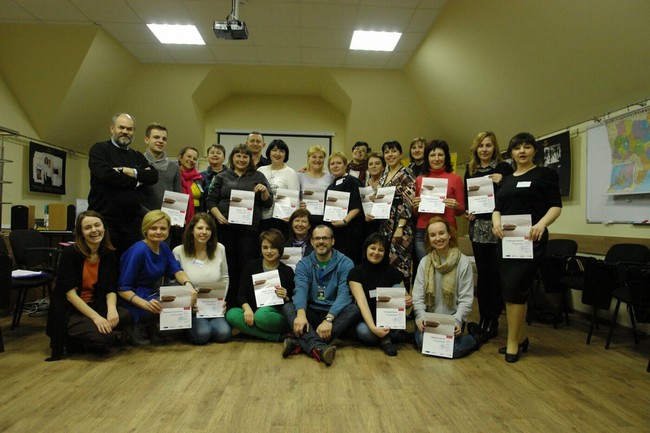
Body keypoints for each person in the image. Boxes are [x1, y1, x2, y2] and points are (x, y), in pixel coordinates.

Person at [492, 132, 562, 363]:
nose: (522, 151)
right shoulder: (507, 179)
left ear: (534, 150)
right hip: (507, 241)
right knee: (510, 290)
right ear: (511, 153)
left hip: (531, 240)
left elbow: (555, 206)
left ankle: (513, 343)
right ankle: (521, 337)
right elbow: (497, 208)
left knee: (516, 288)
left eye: (527, 146)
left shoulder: (545, 174)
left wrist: (541, 224)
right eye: (517, 148)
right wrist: (495, 224)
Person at [47, 210, 131, 359]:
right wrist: (96, 318)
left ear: (104, 228)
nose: (94, 230)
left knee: (125, 315)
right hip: (72, 309)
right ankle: (75, 339)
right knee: (104, 337)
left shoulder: (108, 253)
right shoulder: (70, 254)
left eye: (97, 225)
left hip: (96, 303)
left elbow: (110, 287)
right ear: (81, 233)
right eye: (88, 227)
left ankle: (95, 333)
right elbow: (70, 295)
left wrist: (112, 310)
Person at [282, 225, 360, 366]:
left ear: (332, 241)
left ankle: (302, 342)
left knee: (354, 309)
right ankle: (319, 348)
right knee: (288, 307)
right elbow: (300, 290)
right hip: (311, 313)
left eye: (325, 238)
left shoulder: (346, 263)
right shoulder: (304, 264)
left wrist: (329, 319)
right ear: (312, 242)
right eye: (317, 238)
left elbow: (344, 295)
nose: (321, 242)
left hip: (334, 315)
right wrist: (301, 315)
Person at [206, 143, 273, 307]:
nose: (241, 159)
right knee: (228, 266)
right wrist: (218, 215)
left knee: (246, 266)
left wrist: (264, 191)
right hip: (225, 228)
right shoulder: (222, 176)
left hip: (248, 231)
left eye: (245, 156)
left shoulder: (258, 176)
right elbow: (210, 200)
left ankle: (246, 303)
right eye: (238, 155)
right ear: (232, 157)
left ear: (250, 159)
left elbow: (268, 202)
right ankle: (227, 304)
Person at [463, 131, 514, 339]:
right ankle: (484, 318)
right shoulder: (471, 169)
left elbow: (512, 194)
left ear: (495, 148)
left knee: (495, 275)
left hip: (497, 228)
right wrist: (467, 211)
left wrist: (503, 181)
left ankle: (493, 320)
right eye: (481, 145)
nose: (484, 149)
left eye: (488, 145)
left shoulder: (504, 168)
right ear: (476, 148)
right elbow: (467, 198)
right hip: (477, 228)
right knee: (483, 276)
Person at [118, 210, 195, 345]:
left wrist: (188, 285)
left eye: (163, 228)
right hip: (134, 298)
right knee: (169, 304)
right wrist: (145, 304)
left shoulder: (163, 247)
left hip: (152, 293)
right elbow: (123, 289)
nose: (158, 232)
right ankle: (136, 326)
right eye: (153, 228)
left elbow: (176, 269)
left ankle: (152, 327)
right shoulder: (138, 251)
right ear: (145, 230)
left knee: (182, 297)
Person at [88, 113, 158, 258]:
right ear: (112, 128)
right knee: (107, 264)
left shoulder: (137, 156)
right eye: (121, 127)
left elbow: (152, 176)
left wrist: (126, 171)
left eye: (129, 129)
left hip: (131, 225)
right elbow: (106, 175)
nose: (125, 131)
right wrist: (137, 181)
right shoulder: (99, 149)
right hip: (105, 222)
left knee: (129, 265)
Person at [412, 217, 480, 358]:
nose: (438, 238)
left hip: (452, 320)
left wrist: (458, 320)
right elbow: (417, 296)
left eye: (441, 233)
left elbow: (466, 299)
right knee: (424, 343)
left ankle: (475, 337)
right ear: (428, 239)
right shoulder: (425, 262)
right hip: (429, 319)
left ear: (449, 234)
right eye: (433, 235)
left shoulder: (463, 262)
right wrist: (420, 317)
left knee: (452, 351)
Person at [348, 233, 412, 356]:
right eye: (373, 248)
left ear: (385, 252)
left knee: (397, 287)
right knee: (363, 331)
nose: (376, 253)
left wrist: (407, 302)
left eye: (381, 250)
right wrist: (373, 328)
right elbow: (362, 303)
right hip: (367, 320)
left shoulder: (394, 273)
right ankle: (394, 338)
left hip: (390, 322)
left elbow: (405, 304)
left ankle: (386, 338)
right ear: (366, 249)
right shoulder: (355, 273)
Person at [226, 229, 295, 341]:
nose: (269, 251)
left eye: (273, 247)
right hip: (253, 312)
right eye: (265, 247)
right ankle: (278, 337)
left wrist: (286, 296)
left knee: (261, 315)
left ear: (280, 249)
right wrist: (247, 309)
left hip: (273, 315)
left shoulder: (287, 271)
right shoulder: (251, 266)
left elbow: (292, 300)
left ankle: (252, 331)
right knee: (231, 314)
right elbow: (241, 295)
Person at [173, 213, 231, 344]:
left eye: (208, 229)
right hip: (191, 309)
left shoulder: (220, 248)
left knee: (223, 334)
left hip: (213, 307)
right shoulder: (178, 251)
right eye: (200, 228)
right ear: (191, 230)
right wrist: (188, 305)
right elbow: (175, 283)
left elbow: (225, 278)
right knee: (202, 335)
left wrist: (221, 301)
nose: (204, 232)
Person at [412, 140, 465, 261]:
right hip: (423, 231)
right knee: (426, 268)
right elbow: (415, 213)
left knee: (446, 268)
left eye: (440, 155)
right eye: (432, 155)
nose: (436, 159)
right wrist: (415, 206)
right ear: (427, 158)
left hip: (447, 231)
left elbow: (461, 210)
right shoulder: (420, 179)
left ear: (446, 157)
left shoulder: (455, 178)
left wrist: (456, 205)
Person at [376, 141, 415, 288]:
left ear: (401, 154)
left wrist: (400, 227)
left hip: (400, 225)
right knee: (385, 262)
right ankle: (388, 299)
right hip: (385, 225)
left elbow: (408, 202)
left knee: (400, 263)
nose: (390, 155)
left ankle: (404, 299)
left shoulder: (406, 173)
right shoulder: (384, 174)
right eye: (387, 152)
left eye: (393, 151)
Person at [324, 152, 364, 264]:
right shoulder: (331, 186)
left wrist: (344, 221)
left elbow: (357, 206)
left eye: (339, 163)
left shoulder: (353, 181)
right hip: (336, 233)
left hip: (351, 233)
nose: (335, 166)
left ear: (345, 165)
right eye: (332, 164)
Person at [258, 139, 300, 234]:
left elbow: (295, 199)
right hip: (262, 218)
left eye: (281, 151)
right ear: (269, 152)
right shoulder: (261, 170)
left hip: (282, 219)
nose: (277, 154)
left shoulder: (290, 173)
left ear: (285, 154)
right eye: (274, 150)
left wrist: (292, 216)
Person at [140, 122, 182, 213]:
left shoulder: (174, 167)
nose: (161, 141)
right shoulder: (137, 163)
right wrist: (149, 215)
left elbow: (177, 198)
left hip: (165, 218)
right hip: (141, 217)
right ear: (146, 139)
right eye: (156, 137)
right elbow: (132, 197)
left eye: (164, 139)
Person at [298, 145, 334, 225]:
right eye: (314, 157)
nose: (317, 160)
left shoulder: (330, 177)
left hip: (325, 220)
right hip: (304, 220)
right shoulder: (299, 176)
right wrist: (298, 204)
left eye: (321, 157)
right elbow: (294, 198)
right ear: (308, 158)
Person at [178, 146, 205, 225]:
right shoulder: (174, 175)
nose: (192, 160)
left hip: (197, 216)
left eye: (194, 159)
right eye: (189, 156)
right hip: (178, 215)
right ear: (180, 157)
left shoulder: (199, 178)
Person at [363, 152, 386, 239]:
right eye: (370, 164)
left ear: (383, 167)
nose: (374, 166)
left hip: (384, 225)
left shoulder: (387, 183)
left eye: (377, 163)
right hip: (366, 226)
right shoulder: (363, 184)